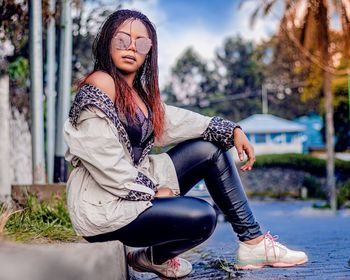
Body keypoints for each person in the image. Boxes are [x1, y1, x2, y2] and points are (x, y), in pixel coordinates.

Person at [64, 9, 308, 279]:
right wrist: (151, 191)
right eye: (122, 39)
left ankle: (251, 243)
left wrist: (231, 129)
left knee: (211, 149)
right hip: (103, 207)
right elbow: (103, 159)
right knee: (201, 216)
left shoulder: (139, 97)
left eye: (141, 42)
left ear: (149, 52)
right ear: (108, 41)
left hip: (129, 194)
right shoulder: (100, 83)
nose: (131, 47)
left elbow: (178, 121)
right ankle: (157, 256)